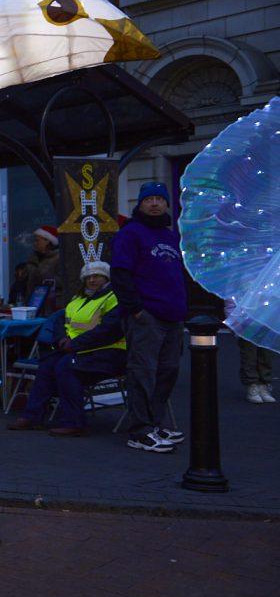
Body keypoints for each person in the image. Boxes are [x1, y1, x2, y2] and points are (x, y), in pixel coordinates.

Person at [10, 260, 127, 435]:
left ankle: (74, 422)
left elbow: (110, 331)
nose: (92, 280)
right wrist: (61, 339)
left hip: (110, 352)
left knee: (66, 367)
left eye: (97, 276)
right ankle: (32, 417)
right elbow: (60, 320)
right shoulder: (78, 298)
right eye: (88, 277)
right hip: (79, 349)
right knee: (47, 364)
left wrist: (74, 344)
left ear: (107, 278)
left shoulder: (114, 298)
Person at [112, 182, 187, 453]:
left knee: (168, 371)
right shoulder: (130, 233)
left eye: (159, 199)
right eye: (148, 199)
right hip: (147, 316)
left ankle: (156, 423)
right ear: (140, 203)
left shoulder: (170, 236)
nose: (154, 203)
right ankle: (140, 430)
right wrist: (136, 310)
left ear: (167, 203)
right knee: (142, 373)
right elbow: (120, 274)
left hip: (173, 316)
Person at [20, 225, 60, 313]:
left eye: (37, 240)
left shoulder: (58, 259)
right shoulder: (33, 258)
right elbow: (24, 281)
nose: (35, 243)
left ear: (47, 241)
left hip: (50, 306)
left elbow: (62, 282)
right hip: (32, 305)